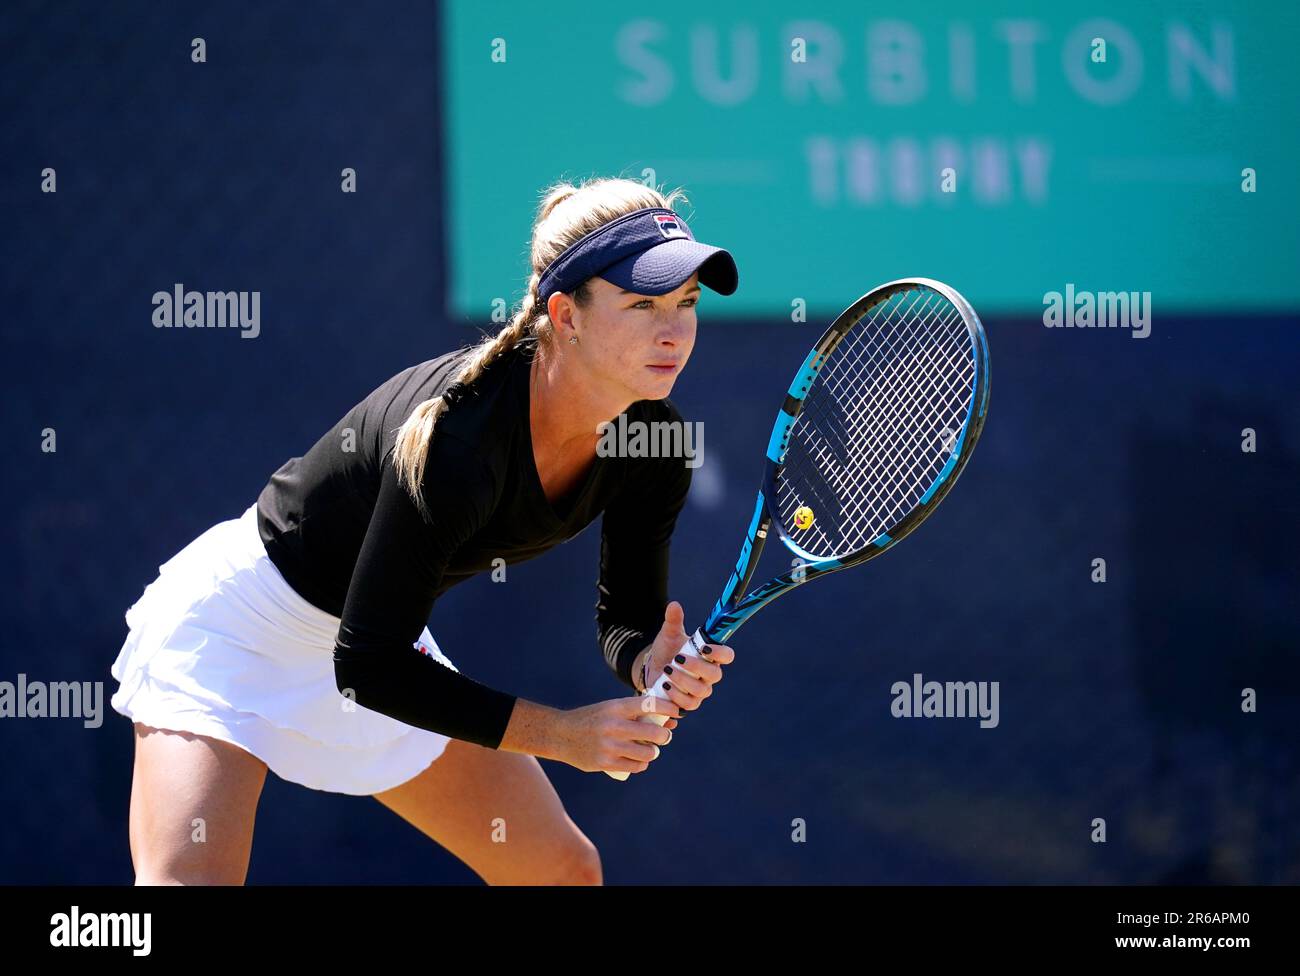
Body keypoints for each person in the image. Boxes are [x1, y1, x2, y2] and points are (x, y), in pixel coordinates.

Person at [110, 177, 740, 885]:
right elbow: (371, 667)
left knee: (561, 872)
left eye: (686, 303)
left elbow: (625, 617)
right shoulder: (458, 442)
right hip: (241, 631)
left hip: (378, 642)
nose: (674, 331)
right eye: (643, 304)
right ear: (566, 314)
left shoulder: (651, 445)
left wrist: (646, 660)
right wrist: (563, 735)